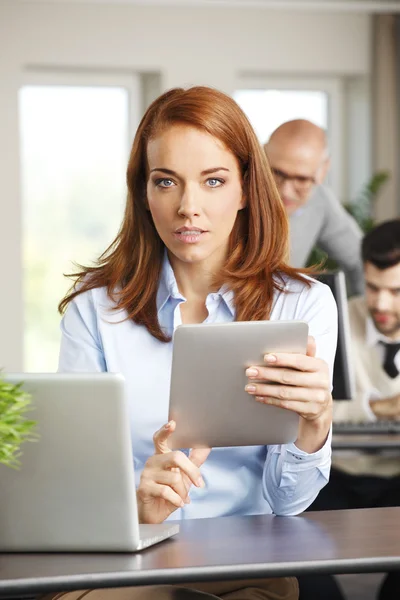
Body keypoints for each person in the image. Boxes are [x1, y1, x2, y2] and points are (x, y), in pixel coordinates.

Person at [56, 86, 337, 600]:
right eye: (166, 182)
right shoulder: (93, 311)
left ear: (247, 189)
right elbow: (73, 492)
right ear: (144, 191)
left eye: (213, 181)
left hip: (248, 563)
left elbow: (288, 503)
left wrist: (315, 425)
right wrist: (134, 504)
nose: (189, 207)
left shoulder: (303, 305)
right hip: (127, 563)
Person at [298, 219, 400, 600]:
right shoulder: (335, 318)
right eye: (373, 288)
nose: (381, 304)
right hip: (336, 475)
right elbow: (312, 405)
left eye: (396, 291)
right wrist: (378, 407)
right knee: (298, 561)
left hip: (396, 480)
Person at [264, 120, 364, 296]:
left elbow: (362, 260)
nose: (285, 191)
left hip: (281, 320)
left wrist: (363, 317)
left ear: (323, 170)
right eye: (277, 173)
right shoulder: (232, 191)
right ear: (262, 156)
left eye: (301, 179)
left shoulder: (320, 201)